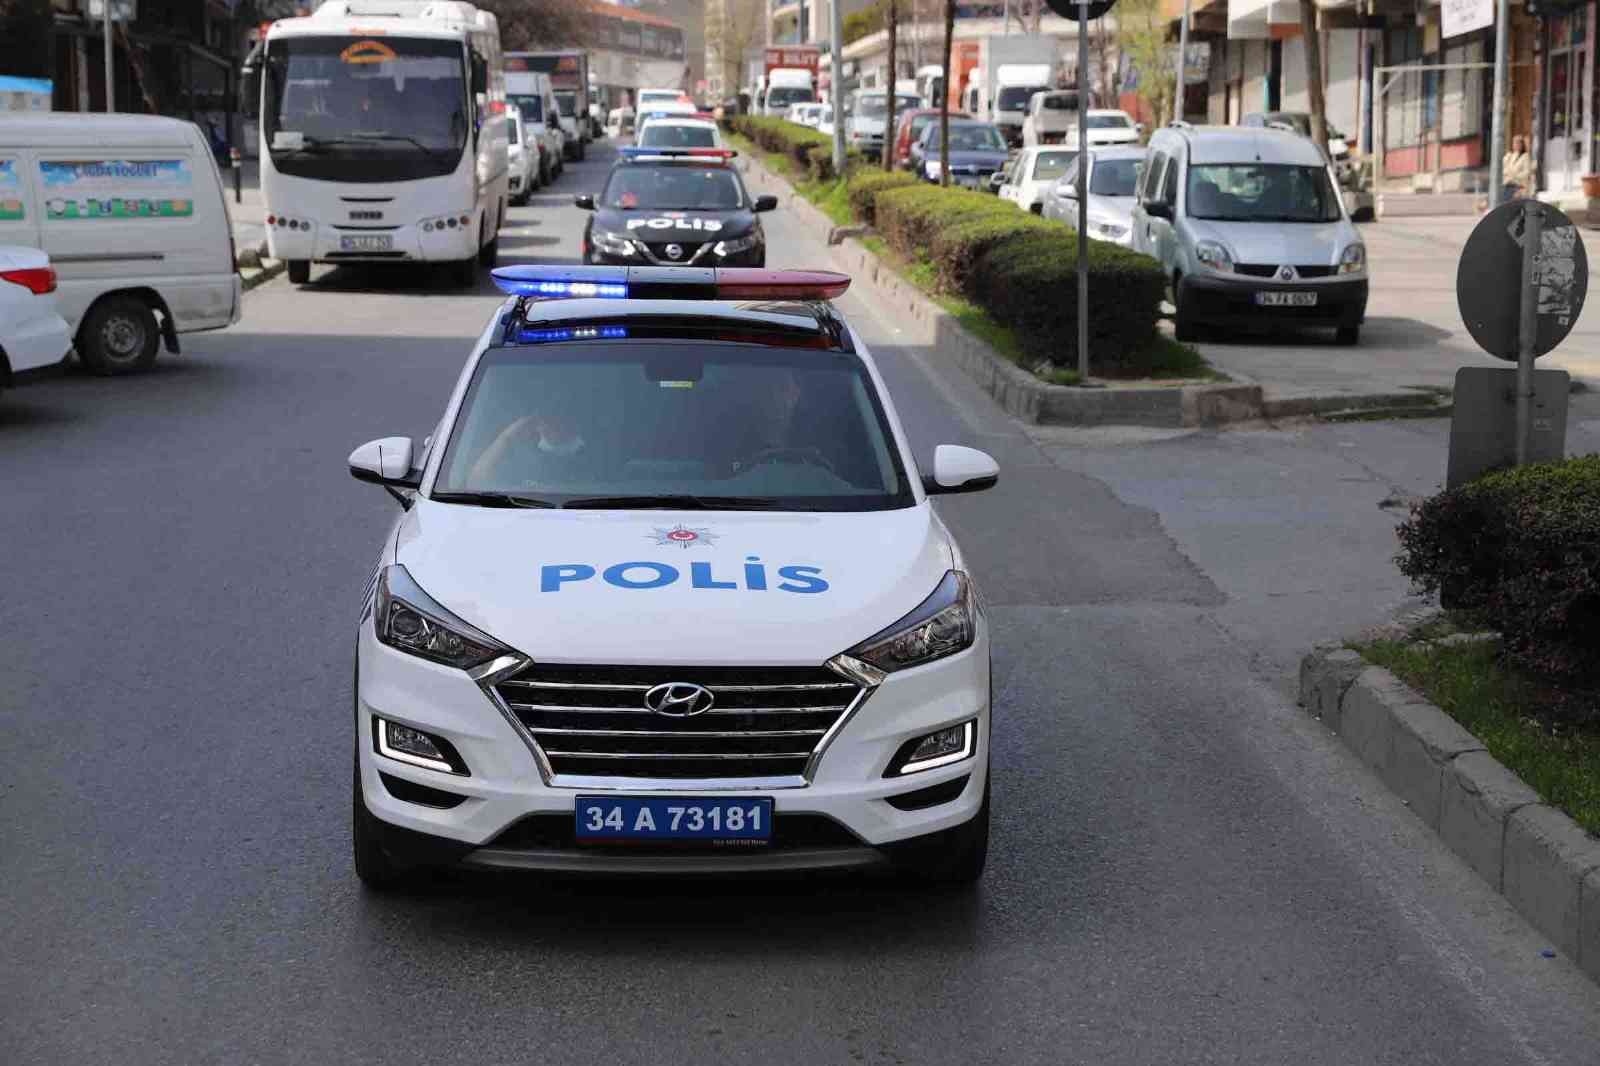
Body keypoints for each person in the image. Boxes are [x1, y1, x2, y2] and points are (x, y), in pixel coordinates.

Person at [465, 408, 603, 488]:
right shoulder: (521, 461)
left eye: (561, 419)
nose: (553, 426)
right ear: (536, 424)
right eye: (547, 419)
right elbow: (476, 481)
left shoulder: (592, 460)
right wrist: (506, 438)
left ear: (573, 424)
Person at [1503, 135, 1533, 201]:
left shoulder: (1525, 156)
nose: (1515, 145)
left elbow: (1526, 173)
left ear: (1522, 145)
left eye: (1518, 143)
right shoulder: (1510, 156)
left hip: (1518, 186)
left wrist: (1514, 176)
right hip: (1507, 184)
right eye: (1514, 143)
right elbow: (1504, 169)